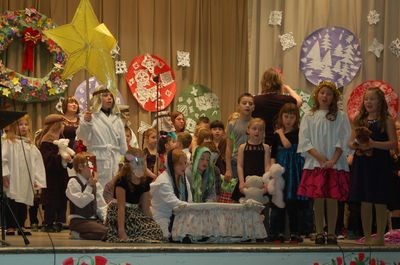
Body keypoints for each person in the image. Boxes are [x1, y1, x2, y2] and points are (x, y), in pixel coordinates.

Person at [297, 80, 351, 245]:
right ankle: (319, 231)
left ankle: (332, 232)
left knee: (332, 198)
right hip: (316, 163)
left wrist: (333, 160)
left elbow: (344, 138)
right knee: (318, 198)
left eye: (328, 93)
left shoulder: (340, 116)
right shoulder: (309, 116)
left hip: (335, 163)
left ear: (333, 97)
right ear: (317, 95)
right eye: (322, 93)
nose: (325, 96)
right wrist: (321, 159)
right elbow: (304, 140)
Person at [349, 87, 397, 246]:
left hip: (380, 164)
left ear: (380, 102)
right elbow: (350, 142)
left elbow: (393, 144)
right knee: (365, 200)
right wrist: (357, 145)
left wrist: (373, 144)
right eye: (366, 99)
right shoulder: (359, 120)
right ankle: (367, 236)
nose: (368, 102)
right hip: (362, 163)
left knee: (380, 200)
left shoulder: (387, 120)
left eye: (372, 99)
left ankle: (381, 237)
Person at [105, 148, 163, 242]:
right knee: (141, 231)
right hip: (121, 214)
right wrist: (121, 231)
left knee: (156, 230)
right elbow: (121, 207)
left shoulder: (144, 182)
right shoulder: (122, 180)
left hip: (135, 213)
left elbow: (145, 209)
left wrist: (152, 222)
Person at [2, 115, 46, 235]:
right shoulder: (8, 142)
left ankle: (20, 225)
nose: (24, 127)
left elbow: (37, 162)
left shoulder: (29, 144)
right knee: (12, 200)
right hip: (13, 177)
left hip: (26, 178)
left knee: (23, 201)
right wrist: (4, 175)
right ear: (14, 127)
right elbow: (3, 159)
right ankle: (11, 226)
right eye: (20, 124)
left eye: (26, 125)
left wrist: (37, 179)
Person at [76, 85, 128, 188]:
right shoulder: (90, 117)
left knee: (114, 189)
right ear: (98, 98)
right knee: (98, 190)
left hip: (115, 159)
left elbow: (123, 144)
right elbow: (82, 136)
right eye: (105, 95)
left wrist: (125, 159)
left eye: (111, 96)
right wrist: (86, 122)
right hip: (97, 158)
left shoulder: (117, 119)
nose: (109, 98)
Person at [270, 103, 306, 243]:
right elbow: (273, 154)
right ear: (281, 117)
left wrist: (280, 133)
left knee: (292, 203)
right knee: (278, 203)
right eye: (286, 116)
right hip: (280, 171)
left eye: (292, 117)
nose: (288, 120)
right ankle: (277, 233)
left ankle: (295, 233)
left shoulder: (298, 133)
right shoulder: (276, 135)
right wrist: (272, 171)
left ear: (296, 118)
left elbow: (287, 145)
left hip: (292, 172)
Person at [36, 114, 71, 232]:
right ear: (56, 125)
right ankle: (48, 222)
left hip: (61, 175)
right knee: (51, 199)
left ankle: (59, 222)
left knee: (61, 198)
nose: (63, 127)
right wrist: (60, 158)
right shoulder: (47, 141)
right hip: (51, 176)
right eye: (61, 124)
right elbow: (47, 160)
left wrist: (69, 159)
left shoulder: (62, 139)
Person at [252, 67, 302, 146]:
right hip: (280, 141)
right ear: (280, 83)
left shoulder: (255, 100)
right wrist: (288, 88)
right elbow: (299, 101)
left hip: (260, 141)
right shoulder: (286, 100)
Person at [150, 148, 193, 239]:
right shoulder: (163, 181)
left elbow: (189, 199)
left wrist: (192, 208)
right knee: (166, 237)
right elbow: (175, 203)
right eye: (180, 164)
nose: (184, 167)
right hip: (161, 218)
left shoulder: (183, 179)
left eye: (185, 163)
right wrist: (193, 208)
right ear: (172, 165)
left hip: (178, 217)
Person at [66, 152, 108, 240]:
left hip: (93, 220)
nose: (93, 169)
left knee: (113, 231)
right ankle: (78, 234)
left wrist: (106, 219)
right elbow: (81, 202)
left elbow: (101, 206)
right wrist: (89, 186)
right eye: (90, 165)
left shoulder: (96, 185)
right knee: (107, 232)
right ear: (80, 167)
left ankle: (80, 235)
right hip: (79, 221)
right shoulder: (73, 182)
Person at [232, 118, 271, 202]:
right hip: (246, 182)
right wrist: (242, 182)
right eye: (254, 129)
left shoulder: (266, 147)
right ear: (248, 130)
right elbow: (240, 166)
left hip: (260, 182)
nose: (257, 131)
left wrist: (266, 182)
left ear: (263, 132)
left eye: (260, 130)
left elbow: (267, 166)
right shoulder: (242, 147)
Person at [225, 93, 254, 181]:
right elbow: (229, 148)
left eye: (250, 103)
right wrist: (228, 169)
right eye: (244, 103)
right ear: (238, 106)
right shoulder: (232, 124)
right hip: (235, 163)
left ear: (254, 107)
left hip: (252, 163)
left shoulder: (257, 124)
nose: (247, 105)